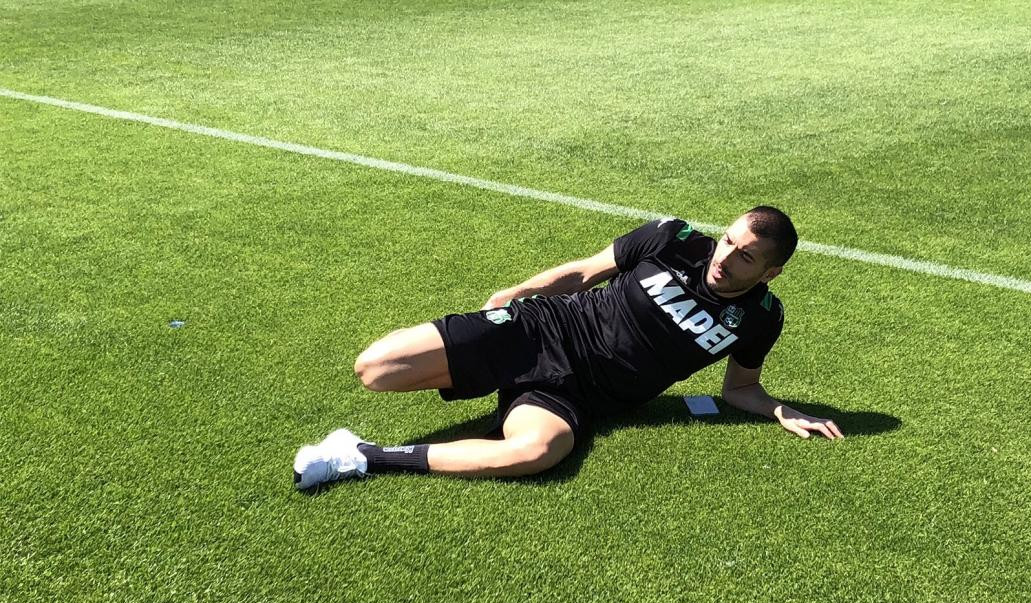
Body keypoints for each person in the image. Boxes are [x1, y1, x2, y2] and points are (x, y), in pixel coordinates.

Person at [293, 206, 843, 489]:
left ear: (771, 270)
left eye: (746, 256)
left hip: (582, 395)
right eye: (729, 239)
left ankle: (360, 455)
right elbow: (584, 272)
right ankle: (484, 368)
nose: (725, 257)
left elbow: (739, 388)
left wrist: (778, 409)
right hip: (544, 330)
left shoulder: (761, 318)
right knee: (376, 368)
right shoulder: (672, 239)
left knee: (535, 453)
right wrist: (514, 296)